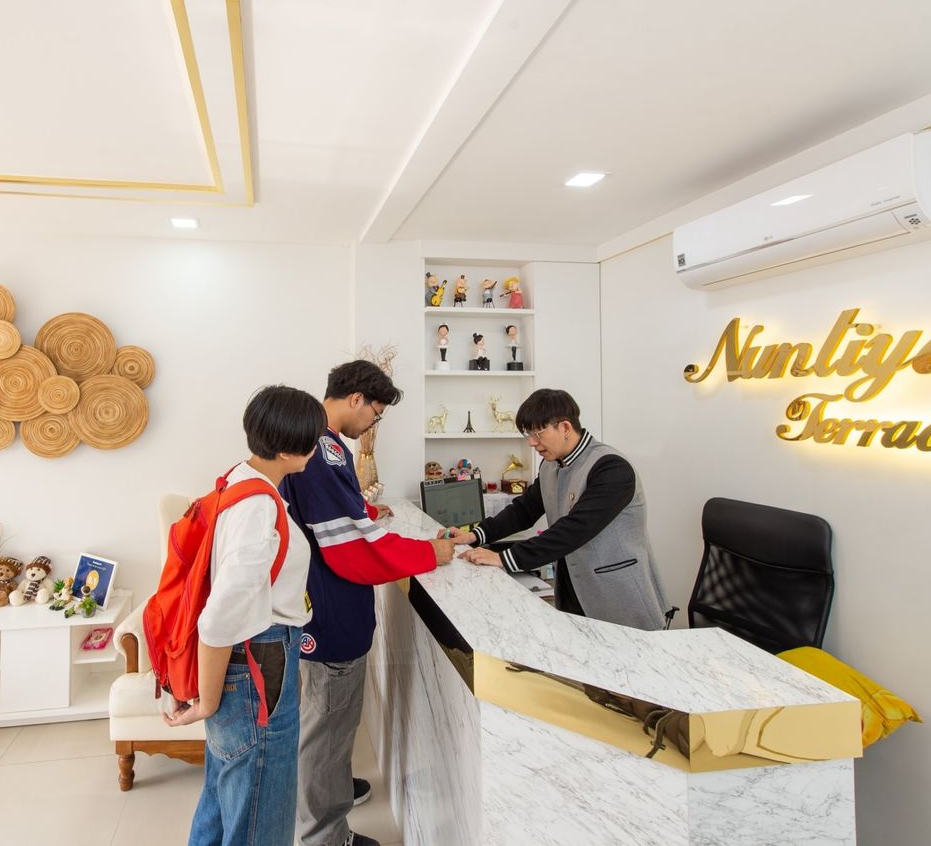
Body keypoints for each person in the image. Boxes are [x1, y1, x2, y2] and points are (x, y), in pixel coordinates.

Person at [280, 360, 455, 846]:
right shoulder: (322, 450)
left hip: (321, 599)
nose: (372, 425)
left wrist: (364, 510)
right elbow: (352, 549)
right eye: (375, 414)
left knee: (328, 719)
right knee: (326, 724)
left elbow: (329, 517)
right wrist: (430, 553)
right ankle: (323, 835)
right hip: (329, 606)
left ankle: (330, 789)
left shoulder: (322, 441)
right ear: (356, 399)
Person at [163, 385, 327, 846]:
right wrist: (208, 699)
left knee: (224, 797)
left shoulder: (239, 478)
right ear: (287, 449)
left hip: (246, 659)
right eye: (312, 440)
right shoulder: (258, 508)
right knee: (260, 811)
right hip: (259, 660)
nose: (317, 448)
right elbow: (220, 617)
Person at [441, 389, 670, 630]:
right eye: (528, 434)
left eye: (537, 433)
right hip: (573, 592)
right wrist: (475, 535)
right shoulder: (551, 465)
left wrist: (503, 558)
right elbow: (524, 511)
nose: (531, 442)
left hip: (619, 598)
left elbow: (574, 530)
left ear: (565, 427)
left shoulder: (611, 468)